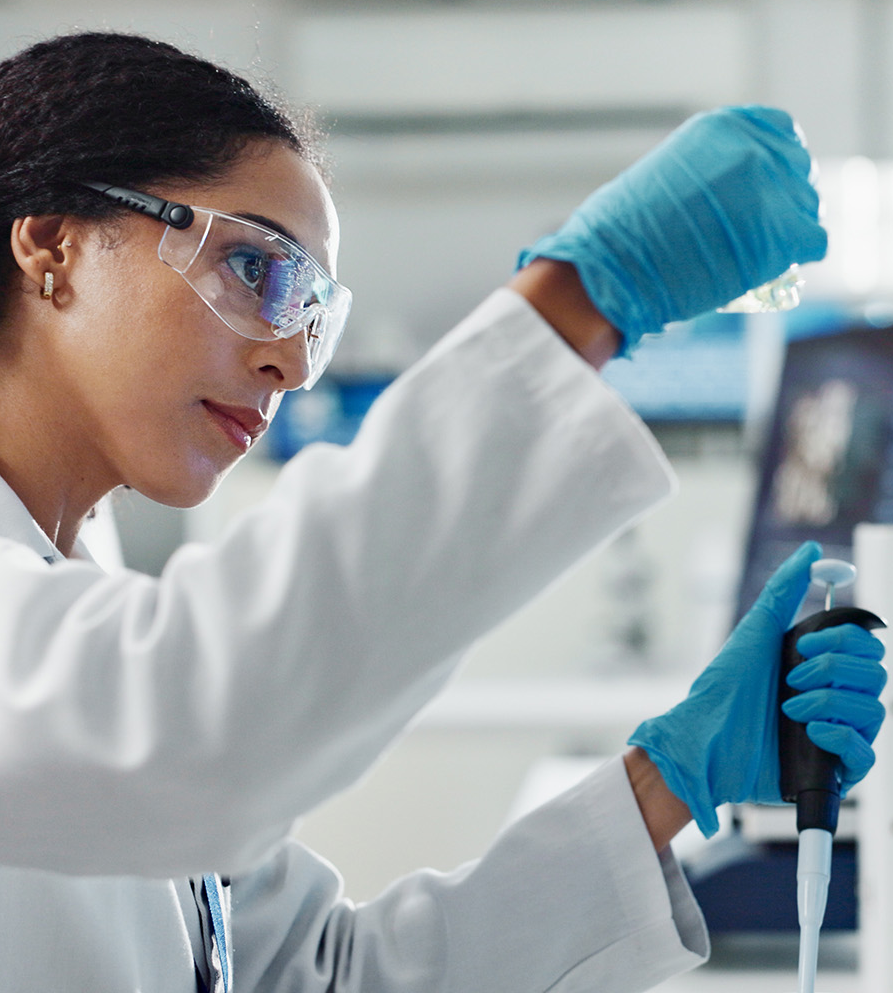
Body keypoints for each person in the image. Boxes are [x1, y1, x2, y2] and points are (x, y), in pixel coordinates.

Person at [0, 29, 885, 993]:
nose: (291, 363)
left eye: (311, 317)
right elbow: (187, 729)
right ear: (54, 244)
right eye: (257, 270)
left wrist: (672, 781)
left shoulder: (70, 578)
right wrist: (580, 298)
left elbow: (322, 976)